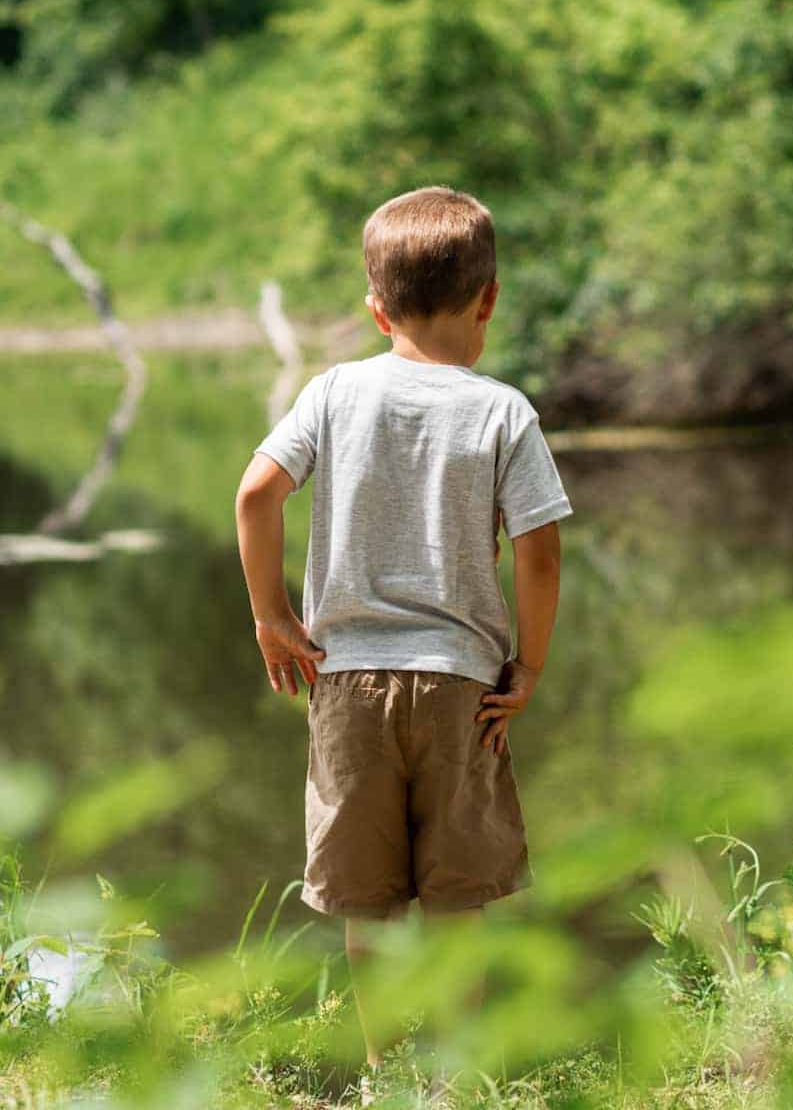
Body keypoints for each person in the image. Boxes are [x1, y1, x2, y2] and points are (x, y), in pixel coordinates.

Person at [235, 185, 573, 1097]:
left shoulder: (334, 391)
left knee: (367, 902)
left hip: (345, 684)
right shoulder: (503, 411)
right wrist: (529, 668)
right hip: (464, 687)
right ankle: (460, 1074)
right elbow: (540, 555)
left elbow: (256, 494)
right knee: (460, 896)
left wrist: (274, 616)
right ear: (489, 298)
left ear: (375, 308)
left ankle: (386, 1073)